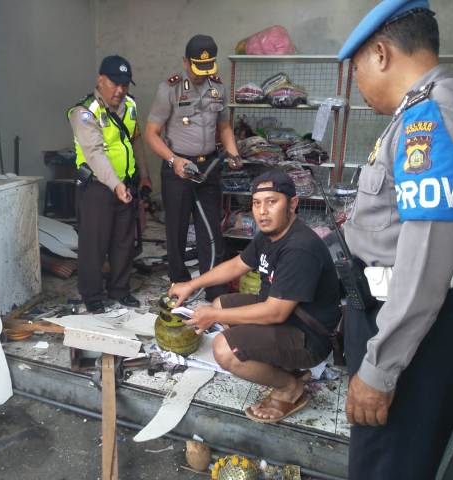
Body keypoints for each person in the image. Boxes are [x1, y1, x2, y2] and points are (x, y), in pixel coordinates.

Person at [338, 1, 453, 478]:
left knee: (387, 465)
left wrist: (380, 369)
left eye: (357, 68)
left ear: (381, 54)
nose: (358, 85)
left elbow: (425, 261)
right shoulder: (430, 110)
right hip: (408, 320)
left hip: (415, 332)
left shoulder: (432, 119)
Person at [169, 170, 340, 423]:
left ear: (292, 204)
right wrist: (191, 284)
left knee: (224, 350)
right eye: (257, 204)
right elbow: (238, 264)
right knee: (220, 302)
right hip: (286, 315)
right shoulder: (271, 234)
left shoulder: (299, 248)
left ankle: (289, 386)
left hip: (308, 337)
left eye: (272, 202)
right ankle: (279, 364)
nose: (262, 212)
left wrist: (214, 316)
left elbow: (275, 312)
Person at [145, 34, 242, 301]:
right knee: (175, 229)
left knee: (210, 229)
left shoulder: (218, 87)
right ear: (186, 62)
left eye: (208, 67)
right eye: (197, 68)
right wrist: (173, 160)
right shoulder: (169, 89)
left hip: (208, 167)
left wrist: (232, 152)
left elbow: (223, 127)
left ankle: (214, 289)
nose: (202, 74)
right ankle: (179, 282)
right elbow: (151, 133)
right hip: (177, 167)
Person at [67, 55, 152, 313]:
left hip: (125, 184)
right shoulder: (83, 112)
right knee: (94, 245)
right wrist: (115, 185)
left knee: (123, 242)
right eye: (115, 83)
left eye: (125, 84)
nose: (120, 90)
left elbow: (135, 140)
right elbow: (94, 153)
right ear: (100, 80)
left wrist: (145, 175)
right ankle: (92, 295)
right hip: (96, 188)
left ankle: (119, 289)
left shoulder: (131, 106)